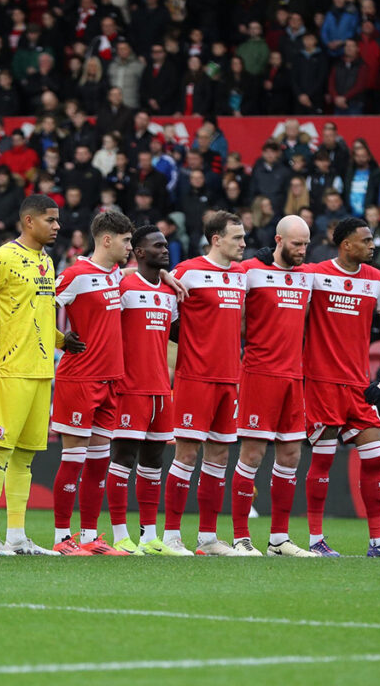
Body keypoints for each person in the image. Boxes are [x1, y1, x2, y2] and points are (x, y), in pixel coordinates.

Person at [0, 195, 83, 556]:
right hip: (8, 367)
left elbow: (36, 314)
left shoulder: (46, 262)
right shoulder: (1, 259)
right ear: (28, 221)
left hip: (40, 370)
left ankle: (17, 537)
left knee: (24, 456)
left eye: (58, 221)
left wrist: (60, 340)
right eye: (50, 220)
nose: (57, 226)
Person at [303, 217, 380, 557]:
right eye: (366, 240)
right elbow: (281, 280)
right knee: (323, 461)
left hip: (359, 385)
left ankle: (378, 542)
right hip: (322, 384)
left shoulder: (376, 279)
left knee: (374, 458)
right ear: (346, 245)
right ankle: (315, 540)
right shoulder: (315, 274)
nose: (372, 245)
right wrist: (267, 258)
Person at [231, 215, 317, 557]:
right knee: (252, 453)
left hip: (293, 378)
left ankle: (279, 539)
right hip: (258, 375)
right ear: (279, 241)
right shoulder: (250, 270)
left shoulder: (308, 276)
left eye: (306, 244)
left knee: (292, 453)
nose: (302, 250)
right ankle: (240, 537)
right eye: (297, 244)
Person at [50, 212, 134, 557]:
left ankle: (89, 536)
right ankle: (61, 537)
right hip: (80, 378)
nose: (131, 247)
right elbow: (39, 302)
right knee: (73, 459)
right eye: (127, 241)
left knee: (99, 461)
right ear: (107, 239)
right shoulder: (75, 274)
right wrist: (59, 340)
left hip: (110, 379)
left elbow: (131, 273)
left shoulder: (114, 274)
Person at [163, 211, 247, 556]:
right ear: (216, 239)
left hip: (230, 378)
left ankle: (208, 538)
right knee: (186, 453)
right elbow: (162, 316)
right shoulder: (187, 272)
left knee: (220, 456)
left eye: (243, 237)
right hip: (195, 378)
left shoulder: (243, 274)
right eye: (237, 238)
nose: (243, 244)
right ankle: (170, 537)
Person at [105, 225, 183, 555]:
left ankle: (149, 536)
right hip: (129, 388)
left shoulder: (169, 292)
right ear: (138, 252)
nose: (165, 250)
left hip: (160, 391)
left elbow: (174, 337)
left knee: (153, 462)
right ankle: (120, 535)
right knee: (123, 459)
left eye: (166, 245)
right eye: (157, 245)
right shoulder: (122, 284)